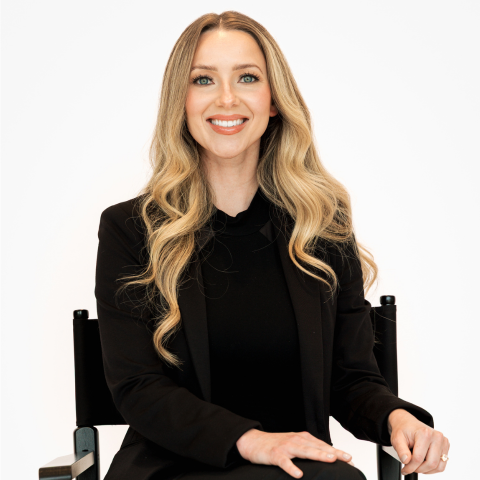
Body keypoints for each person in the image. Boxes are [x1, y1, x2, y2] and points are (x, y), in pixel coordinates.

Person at [95, 11, 449, 480]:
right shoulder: (130, 229)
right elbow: (138, 388)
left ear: (274, 100)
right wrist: (252, 441)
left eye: (247, 77)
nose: (226, 97)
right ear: (180, 100)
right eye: (203, 79)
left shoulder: (321, 225)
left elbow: (350, 379)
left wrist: (398, 419)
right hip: (169, 468)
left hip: (294, 470)